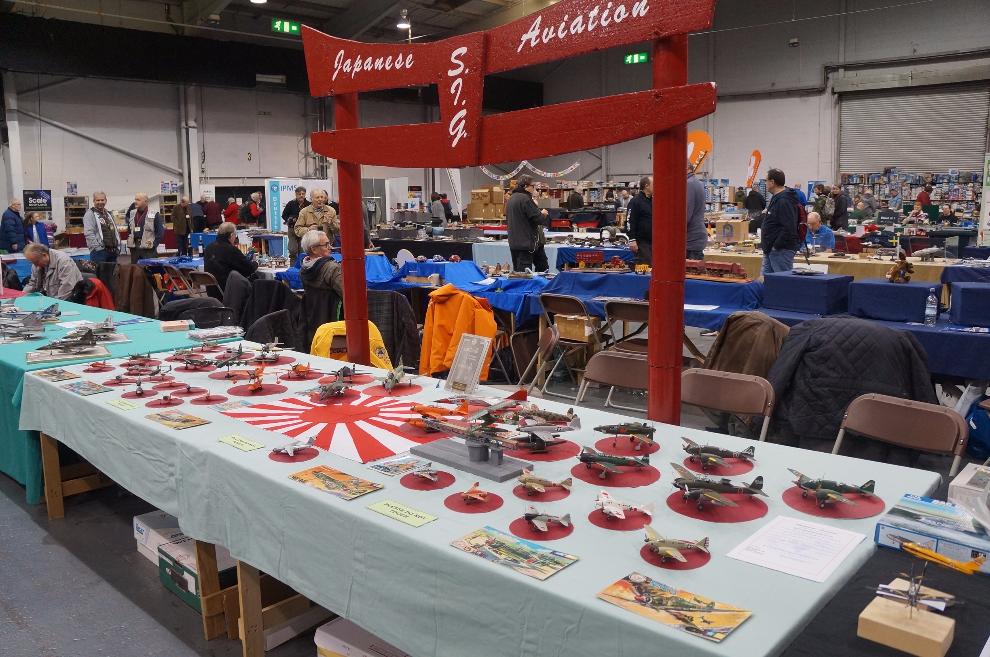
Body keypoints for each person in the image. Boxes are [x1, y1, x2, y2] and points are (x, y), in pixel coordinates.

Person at [505, 175, 549, 272]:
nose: (534, 189)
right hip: (526, 243)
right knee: (525, 273)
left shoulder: (511, 199)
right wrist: (543, 214)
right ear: (525, 186)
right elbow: (538, 219)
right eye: (532, 186)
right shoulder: (525, 199)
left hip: (515, 242)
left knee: (520, 271)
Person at [761, 168, 800, 274]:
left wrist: (776, 246)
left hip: (780, 251)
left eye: (766, 180)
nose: (765, 183)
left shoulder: (784, 200)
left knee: (782, 281)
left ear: (772, 182)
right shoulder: (777, 198)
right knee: (766, 280)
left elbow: (789, 227)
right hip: (771, 249)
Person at [203, 221, 258, 288]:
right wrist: (255, 263)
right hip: (228, 288)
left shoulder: (208, 248)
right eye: (235, 235)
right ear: (231, 235)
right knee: (257, 279)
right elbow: (249, 268)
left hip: (211, 289)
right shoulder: (230, 249)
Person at [298, 229, 344, 297]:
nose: (330, 247)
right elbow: (348, 295)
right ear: (314, 249)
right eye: (326, 244)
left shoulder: (303, 270)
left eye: (330, 244)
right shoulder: (333, 268)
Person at [125, 193, 165, 263]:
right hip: (134, 248)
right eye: (135, 199)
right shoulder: (132, 213)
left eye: (138, 200)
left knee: (149, 268)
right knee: (136, 268)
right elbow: (129, 229)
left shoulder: (154, 214)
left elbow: (160, 232)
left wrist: (153, 245)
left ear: (146, 201)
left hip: (148, 249)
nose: (135, 202)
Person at [82, 192, 120, 264]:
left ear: (106, 200)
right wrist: (98, 248)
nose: (100, 202)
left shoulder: (108, 214)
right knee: (99, 271)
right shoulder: (90, 214)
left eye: (102, 200)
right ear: (94, 201)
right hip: (99, 252)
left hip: (112, 251)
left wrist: (117, 245)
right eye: (98, 200)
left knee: (112, 271)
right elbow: (88, 233)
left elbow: (114, 230)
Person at [627, 176, 653, 265]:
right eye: (654, 184)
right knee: (646, 266)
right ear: (646, 186)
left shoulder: (653, 201)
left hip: (653, 241)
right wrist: (632, 240)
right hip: (641, 242)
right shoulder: (635, 201)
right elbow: (629, 221)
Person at [281, 186, 310, 264]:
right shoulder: (291, 203)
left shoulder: (308, 204)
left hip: (304, 229)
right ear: (296, 194)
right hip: (292, 229)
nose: (301, 195)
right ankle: (293, 266)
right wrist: (289, 220)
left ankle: (302, 266)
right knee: (292, 249)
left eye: (303, 194)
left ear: (305, 194)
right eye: (299, 194)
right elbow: (284, 215)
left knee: (302, 250)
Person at [686, 164, 708, 260]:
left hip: (691, 239)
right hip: (696, 237)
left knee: (689, 268)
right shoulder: (698, 183)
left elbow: (686, 214)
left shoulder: (688, 184)